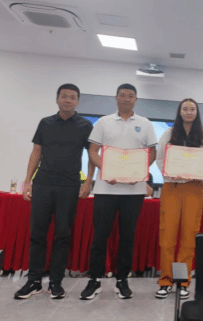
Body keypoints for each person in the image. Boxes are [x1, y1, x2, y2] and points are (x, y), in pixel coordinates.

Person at [14, 84, 94, 300]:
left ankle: (56, 283)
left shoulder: (85, 125)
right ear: (57, 99)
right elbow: (36, 152)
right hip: (43, 184)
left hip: (69, 186)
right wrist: (28, 181)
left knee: (62, 235)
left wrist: (88, 182)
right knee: (37, 234)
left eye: (72, 97)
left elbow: (92, 155)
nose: (68, 100)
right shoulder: (45, 123)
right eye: (64, 96)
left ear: (77, 101)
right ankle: (33, 281)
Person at [80, 84, 157, 300]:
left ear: (136, 99)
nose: (126, 99)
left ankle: (122, 280)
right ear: (116, 98)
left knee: (127, 237)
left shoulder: (145, 123)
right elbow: (92, 151)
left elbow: (152, 153)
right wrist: (106, 169)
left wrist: (139, 172)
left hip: (134, 191)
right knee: (100, 236)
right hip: (106, 188)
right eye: (122, 95)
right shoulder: (104, 122)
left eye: (130, 96)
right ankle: (94, 280)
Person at [155, 98, 203, 300]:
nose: (189, 112)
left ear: (197, 112)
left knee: (189, 236)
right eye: (185, 108)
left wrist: (199, 173)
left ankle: (183, 281)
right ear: (180, 112)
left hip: (194, 188)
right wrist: (171, 173)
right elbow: (160, 159)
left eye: (192, 109)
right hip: (172, 187)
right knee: (167, 236)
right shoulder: (169, 133)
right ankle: (165, 281)